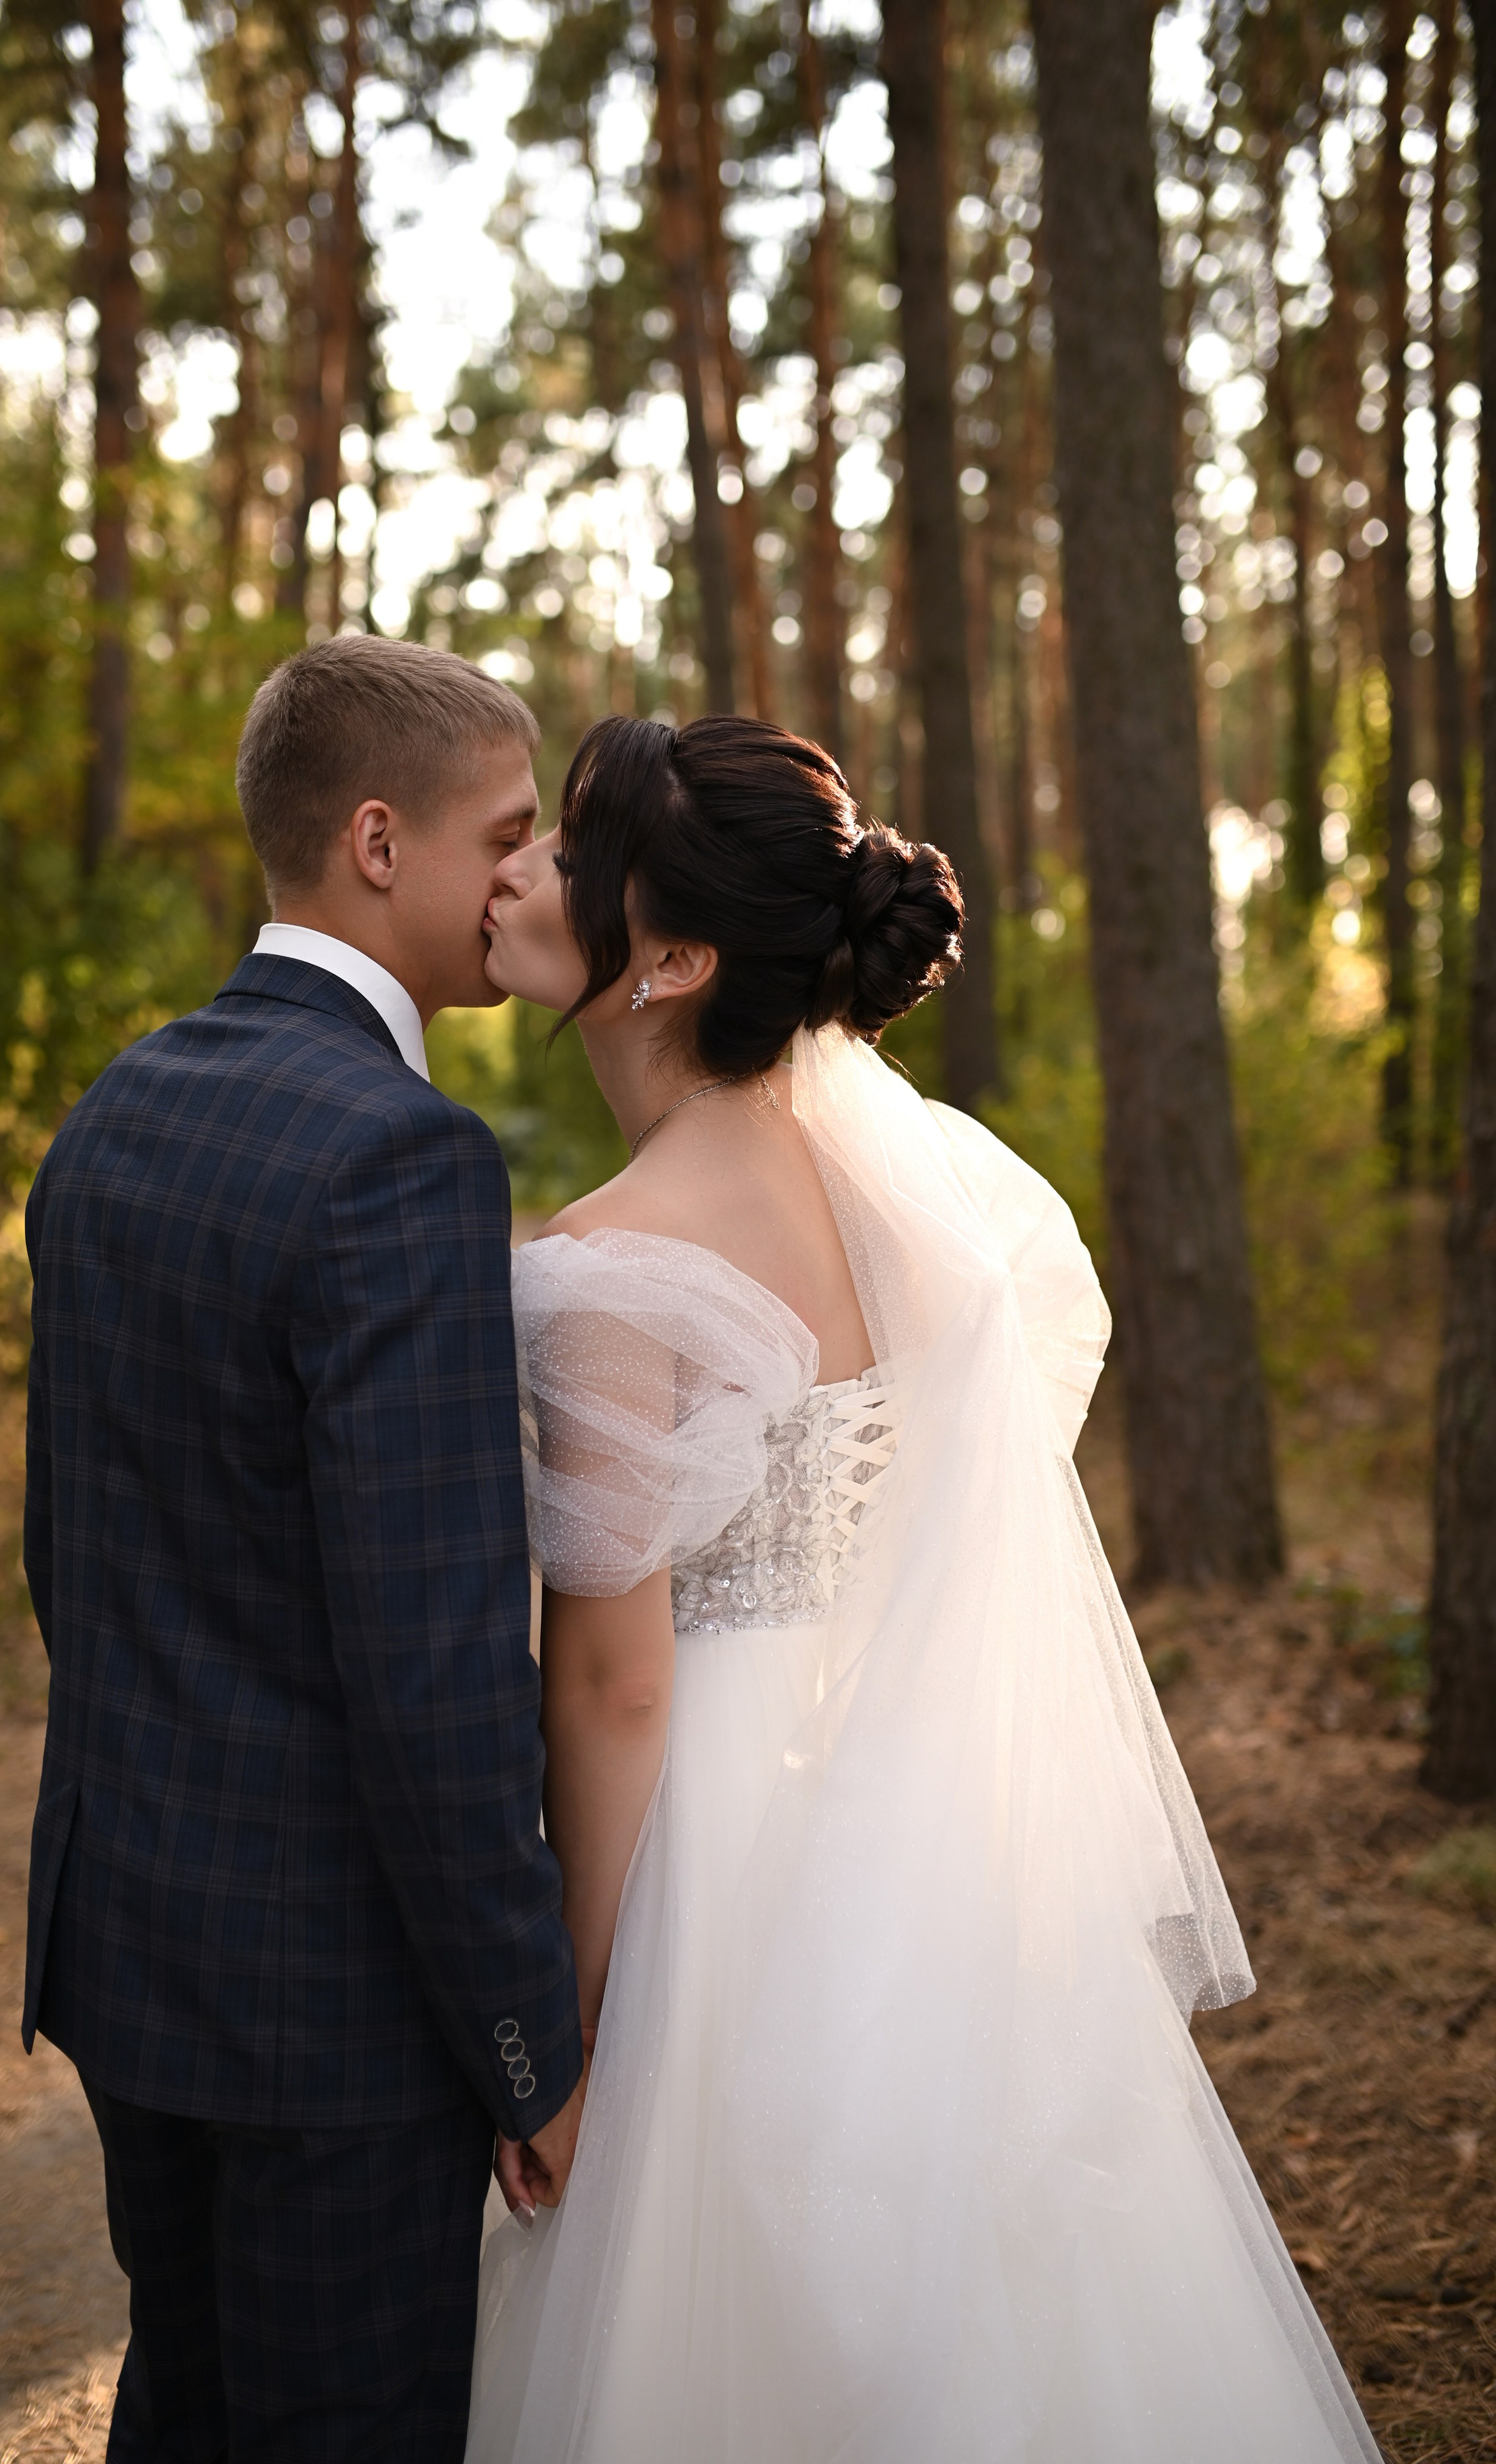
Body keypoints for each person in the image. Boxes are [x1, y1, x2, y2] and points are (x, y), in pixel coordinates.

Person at [467, 712, 1383, 2463]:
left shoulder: (602, 1264)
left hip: (705, 1859)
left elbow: (614, 1685)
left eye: (575, 855)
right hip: (899, 1820)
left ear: (671, 959)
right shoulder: (903, 1196)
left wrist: (564, 2034)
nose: (521, 869)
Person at [20, 636, 585, 2463]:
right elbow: (431, 1675)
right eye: (503, 832)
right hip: (327, 2017)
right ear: (374, 841)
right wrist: (527, 2041)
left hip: (131, 1953)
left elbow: (72, 1559)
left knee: (184, 2407)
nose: (527, 874)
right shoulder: (404, 1157)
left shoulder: (116, 1111)